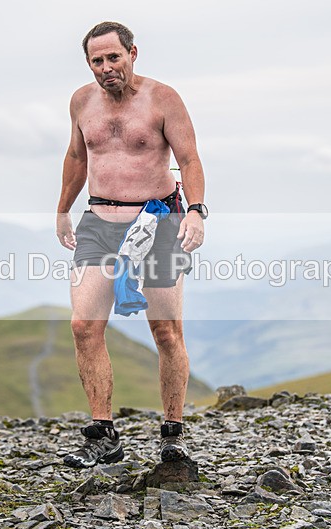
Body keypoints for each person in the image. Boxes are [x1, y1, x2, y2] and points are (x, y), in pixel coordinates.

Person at [56, 21, 207, 468]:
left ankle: (173, 433)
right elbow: (77, 157)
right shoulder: (81, 102)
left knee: (165, 329)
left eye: (113, 58)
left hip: (158, 222)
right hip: (100, 222)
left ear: (132, 53)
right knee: (84, 326)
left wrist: (196, 210)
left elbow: (190, 158)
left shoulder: (164, 99)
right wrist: (63, 209)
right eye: (96, 61)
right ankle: (104, 434)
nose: (106, 68)